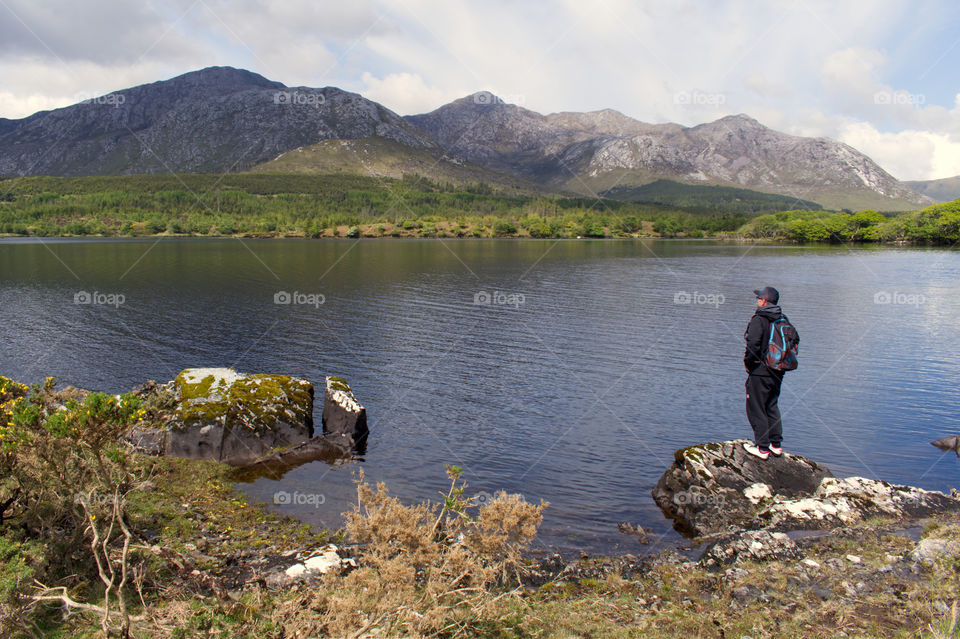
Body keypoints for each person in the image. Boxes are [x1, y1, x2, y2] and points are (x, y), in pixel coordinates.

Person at [742, 286, 794, 460]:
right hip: (778, 370)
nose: (757, 301)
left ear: (764, 301)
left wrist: (750, 364)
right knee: (771, 405)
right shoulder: (782, 318)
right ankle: (776, 445)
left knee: (756, 407)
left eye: (758, 298)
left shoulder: (760, 318)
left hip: (760, 370)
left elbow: (753, 345)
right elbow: (795, 339)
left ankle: (762, 448)